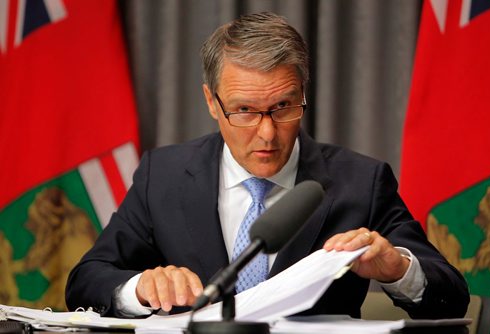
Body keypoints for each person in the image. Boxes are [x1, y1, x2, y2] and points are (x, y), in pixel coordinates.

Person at [65, 12, 469, 319]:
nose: (267, 134)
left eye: (282, 107)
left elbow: (451, 297)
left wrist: (398, 268)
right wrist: (139, 287)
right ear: (211, 102)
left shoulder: (359, 181)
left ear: (302, 94)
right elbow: (86, 280)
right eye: (244, 110)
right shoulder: (164, 175)